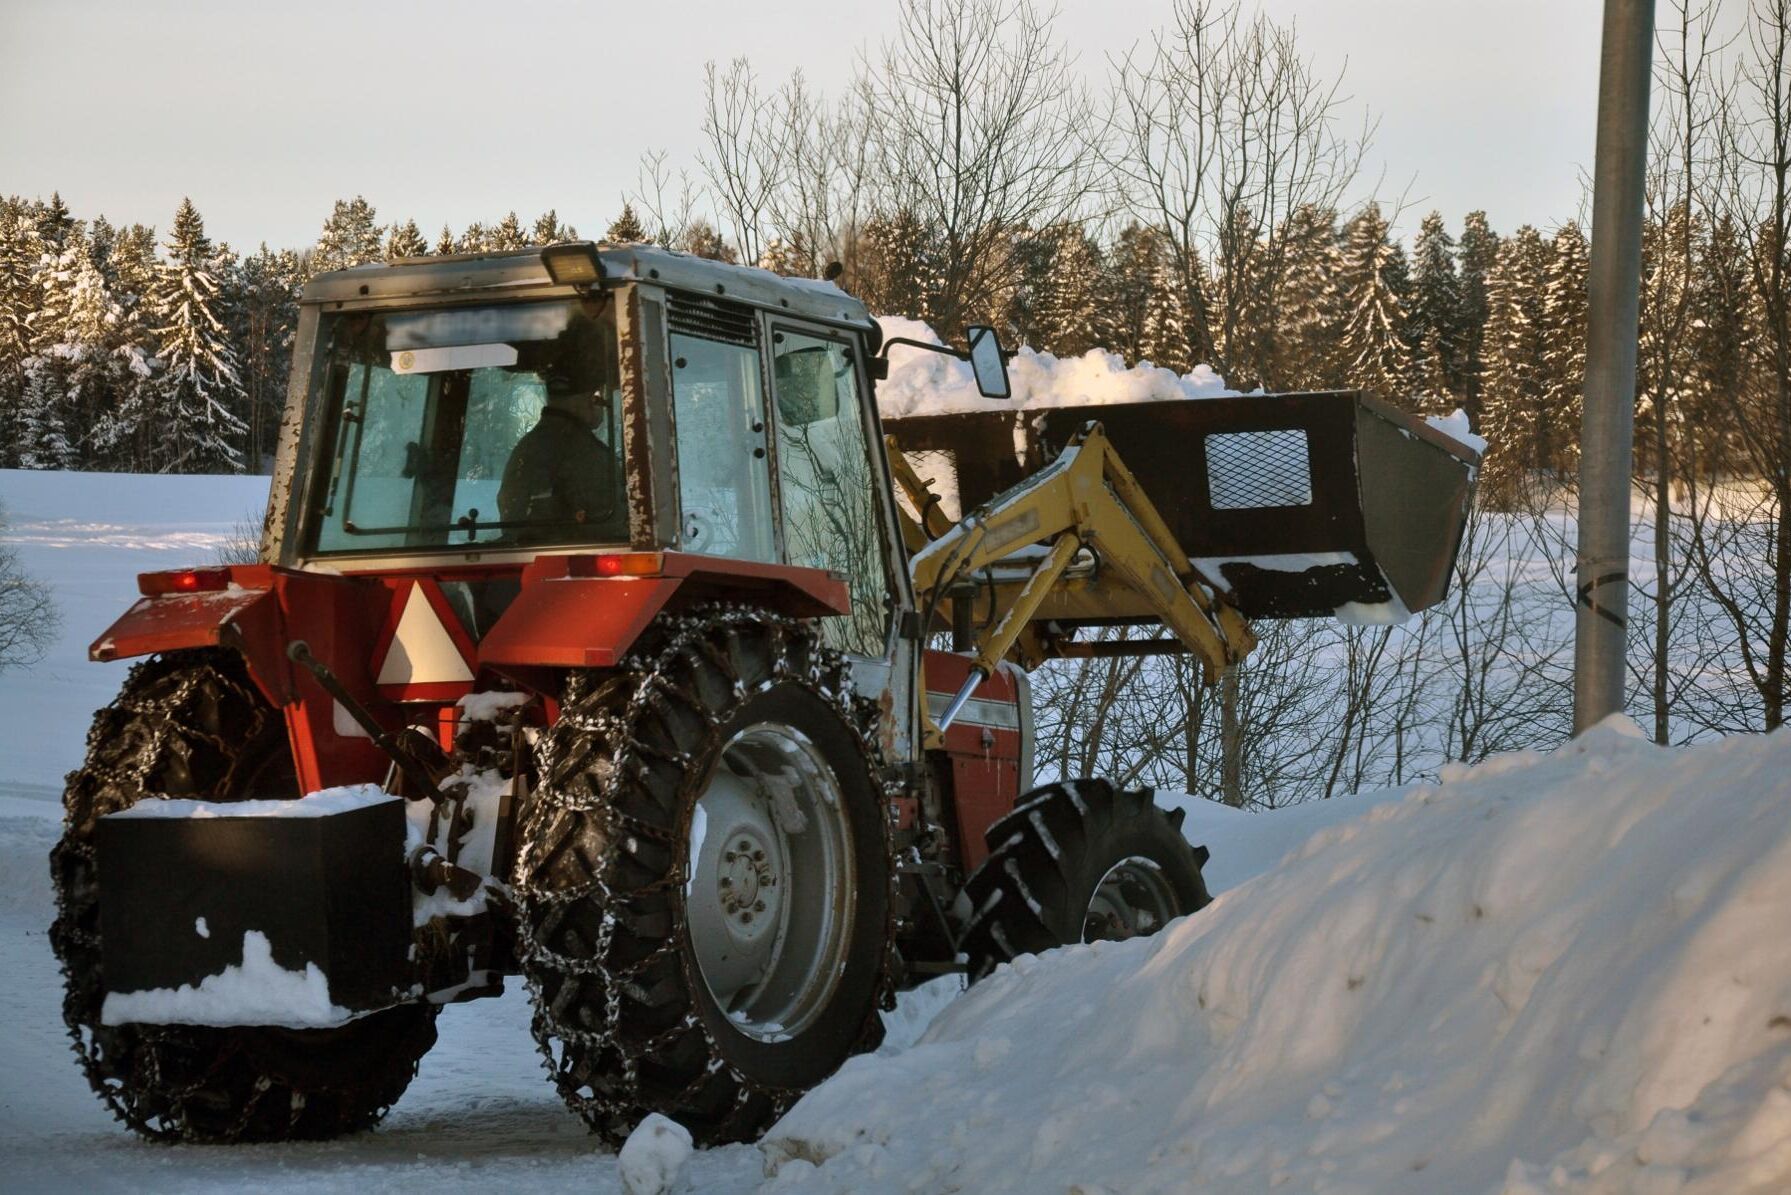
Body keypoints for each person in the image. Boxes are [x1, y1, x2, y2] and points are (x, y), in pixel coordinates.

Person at [498, 326, 625, 542]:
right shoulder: (584, 454)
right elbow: (611, 529)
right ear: (591, 397)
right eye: (601, 394)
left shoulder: (531, 446)